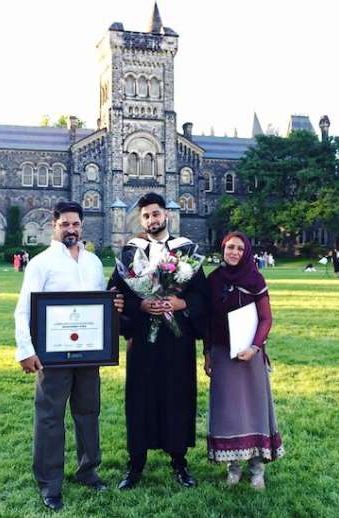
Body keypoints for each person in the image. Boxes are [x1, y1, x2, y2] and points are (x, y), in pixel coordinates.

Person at [14, 201, 124, 511]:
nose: (71, 229)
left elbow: (100, 305)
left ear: (82, 226)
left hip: (88, 353)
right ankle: (50, 483)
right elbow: (24, 309)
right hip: (53, 356)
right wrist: (26, 350)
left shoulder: (91, 262)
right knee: (50, 417)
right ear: (55, 225)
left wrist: (112, 309)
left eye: (75, 224)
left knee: (88, 411)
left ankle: (88, 471)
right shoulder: (41, 263)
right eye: (65, 224)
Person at [109, 192, 208, 490]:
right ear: (141, 220)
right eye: (146, 216)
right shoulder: (130, 252)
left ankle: (179, 461)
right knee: (140, 398)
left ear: (166, 215)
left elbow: (201, 294)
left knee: (178, 395)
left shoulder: (186, 250)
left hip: (177, 340)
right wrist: (140, 307)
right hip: (142, 339)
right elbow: (117, 292)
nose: (152, 219)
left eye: (156, 214)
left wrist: (181, 304)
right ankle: (135, 464)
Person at [204, 231, 284, 491]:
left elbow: (266, 318)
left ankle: (256, 469)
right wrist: (207, 354)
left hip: (250, 356)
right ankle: (234, 467)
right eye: (230, 247)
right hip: (222, 354)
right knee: (228, 411)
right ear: (223, 248)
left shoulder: (254, 278)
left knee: (254, 410)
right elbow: (207, 321)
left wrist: (254, 347)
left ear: (246, 251)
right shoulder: (214, 279)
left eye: (239, 248)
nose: (234, 252)